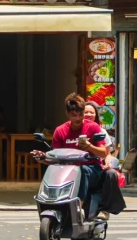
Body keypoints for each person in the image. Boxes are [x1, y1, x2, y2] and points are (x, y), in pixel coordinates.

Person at [45, 92, 108, 220]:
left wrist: (89, 147)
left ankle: (79, 207)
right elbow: (54, 156)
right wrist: (42, 157)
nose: (78, 118)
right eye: (74, 115)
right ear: (68, 114)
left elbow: (103, 153)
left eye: (81, 114)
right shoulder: (60, 131)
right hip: (67, 170)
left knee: (81, 170)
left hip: (91, 170)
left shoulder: (93, 127)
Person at [84, 101, 126, 216]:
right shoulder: (74, 129)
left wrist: (107, 163)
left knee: (111, 174)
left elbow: (107, 153)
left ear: (96, 115)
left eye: (91, 112)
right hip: (79, 166)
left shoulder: (100, 131)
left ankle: (104, 209)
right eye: (85, 112)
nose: (88, 115)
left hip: (96, 167)